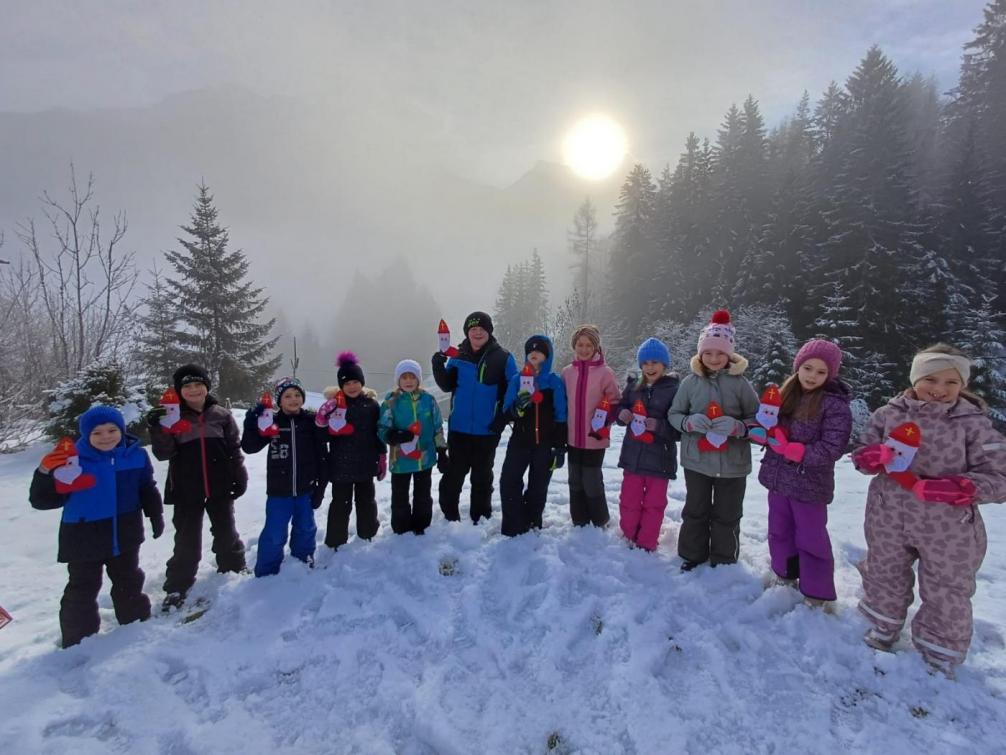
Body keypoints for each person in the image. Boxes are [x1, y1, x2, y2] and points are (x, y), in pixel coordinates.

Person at [853, 343, 1006, 675]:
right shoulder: (889, 414)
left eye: (950, 382)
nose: (939, 390)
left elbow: (1000, 476)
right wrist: (869, 458)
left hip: (947, 526)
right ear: (915, 377)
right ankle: (881, 624)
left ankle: (940, 650)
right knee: (884, 569)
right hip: (888, 513)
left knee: (946, 586)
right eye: (931, 379)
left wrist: (961, 487)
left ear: (962, 385)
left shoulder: (973, 424)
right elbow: (863, 452)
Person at [30, 406, 164, 647]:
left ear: (121, 430)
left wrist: (155, 514)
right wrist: (44, 473)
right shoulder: (71, 460)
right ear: (85, 435)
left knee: (129, 579)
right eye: (97, 432)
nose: (106, 437)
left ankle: (135, 623)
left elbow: (146, 487)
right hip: (83, 535)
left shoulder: (135, 455)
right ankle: (78, 640)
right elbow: (41, 501)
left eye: (112, 430)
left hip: (125, 532)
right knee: (83, 587)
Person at [755, 340, 852, 607]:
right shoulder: (786, 395)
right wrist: (762, 432)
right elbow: (769, 426)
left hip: (809, 486)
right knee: (779, 531)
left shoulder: (834, 405)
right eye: (808, 368)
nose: (812, 376)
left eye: (821, 372)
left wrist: (801, 453)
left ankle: (816, 592)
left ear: (830, 375)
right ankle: (784, 574)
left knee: (811, 538)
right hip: (778, 480)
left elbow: (833, 446)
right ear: (797, 367)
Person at [148, 364, 248, 610]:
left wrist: (240, 474)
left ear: (206, 387)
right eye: (187, 386)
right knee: (186, 540)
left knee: (226, 531)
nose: (193, 390)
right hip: (185, 487)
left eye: (198, 385)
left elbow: (234, 448)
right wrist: (159, 428)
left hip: (220, 484)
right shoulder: (172, 417)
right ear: (180, 391)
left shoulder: (221, 415)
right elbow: (163, 453)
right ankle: (177, 586)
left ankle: (233, 567)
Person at [668, 311, 759, 570]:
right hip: (697, 460)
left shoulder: (741, 384)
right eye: (708, 353)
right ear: (700, 354)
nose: (714, 358)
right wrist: (688, 423)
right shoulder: (689, 382)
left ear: (729, 354)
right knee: (695, 510)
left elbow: (759, 420)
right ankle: (691, 554)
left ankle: (724, 559)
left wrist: (739, 427)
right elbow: (674, 414)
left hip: (733, 464)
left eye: (720, 353)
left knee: (728, 513)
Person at [432, 311, 518, 524]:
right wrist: (437, 364)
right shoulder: (458, 357)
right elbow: (447, 384)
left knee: (482, 476)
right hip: (459, 427)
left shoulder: (503, 357)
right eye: (473, 329)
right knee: (454, 473)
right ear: (467, 333)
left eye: (481, 329)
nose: (477, 332)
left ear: (489, 331)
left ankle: (480, 515)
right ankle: (449, 514)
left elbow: (513, 390)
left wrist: (502, 418)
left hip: (487, 429)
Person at [241, 376, 327, 576]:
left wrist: (320, 487)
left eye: (297, 395)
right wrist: (251, 423)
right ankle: (266, 571)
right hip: (279, 491)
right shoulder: (271, 422)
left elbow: (322, 454)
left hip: (306, 488)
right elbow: (250, 447)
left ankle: (303, 561)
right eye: (287, 396)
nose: (293, 399)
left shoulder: (310, 421)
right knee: (274, 533)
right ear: (279, 401)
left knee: (306, 528)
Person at [614, 337, 679, 551]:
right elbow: (620, 407)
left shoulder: (674, 390)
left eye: (655, 363)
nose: (650, 367)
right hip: (633, 457)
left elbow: (679, 429)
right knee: (629, 500)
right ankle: (629, 534)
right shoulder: (633, 387)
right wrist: (621, 414)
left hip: (660, 461)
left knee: (654, 504)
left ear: (664, 365)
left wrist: (659, 426)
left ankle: (647, 541)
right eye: (646, 363)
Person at [498, 335, 567, 536]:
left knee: (538, 487)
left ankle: (532, 522)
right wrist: (516, 408)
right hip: (519, 441)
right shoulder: (517, 380)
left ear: (547, 356)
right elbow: (506, 410)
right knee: (509, 481)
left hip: (545, 445)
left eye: (540, 351)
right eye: (531, 351)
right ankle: (513, 525)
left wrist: (560, 447)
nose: (535, 354)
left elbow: (561, 414)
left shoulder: (553, 382)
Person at [316, 352, 386, 549]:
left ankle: (368, 532)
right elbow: (324, 438)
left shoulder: (371, 405)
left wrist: (382, 456)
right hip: (341, 466)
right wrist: (322, 424)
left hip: (366, 463)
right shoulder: (334, 406)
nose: (352, 386)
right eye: (347, 384)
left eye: (355, 382)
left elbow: (378, 432)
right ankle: (335, 540)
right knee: (340, 504)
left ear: (362, 382)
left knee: (367, 501)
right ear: (341, 386)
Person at [560, 325, 620, 527]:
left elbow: (616, 402)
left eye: (588, 345)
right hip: (573, 437)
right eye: (580, 345)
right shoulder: (567, 372)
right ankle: (579, 518)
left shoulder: (606, 373)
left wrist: (606, 419)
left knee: (591, 480)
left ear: (596, 347)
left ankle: (600, 519)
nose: (584, 349)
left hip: (595, 437)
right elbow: (562, 402)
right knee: (575, 479)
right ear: (574, 346)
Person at [379, 359, 447, 535]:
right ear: (398, 381)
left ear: (418, 380)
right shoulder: (391, 402)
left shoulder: (428, 400)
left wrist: (441, 450)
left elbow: (438, 427)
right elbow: (382, 427)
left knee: (423, 494)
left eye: (412, 377)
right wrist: (392, 435)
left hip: (425, 459)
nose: (408, 381)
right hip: (400, 460)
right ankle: (401, 526)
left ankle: (422, 523)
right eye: (404, 377)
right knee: (400, 495)